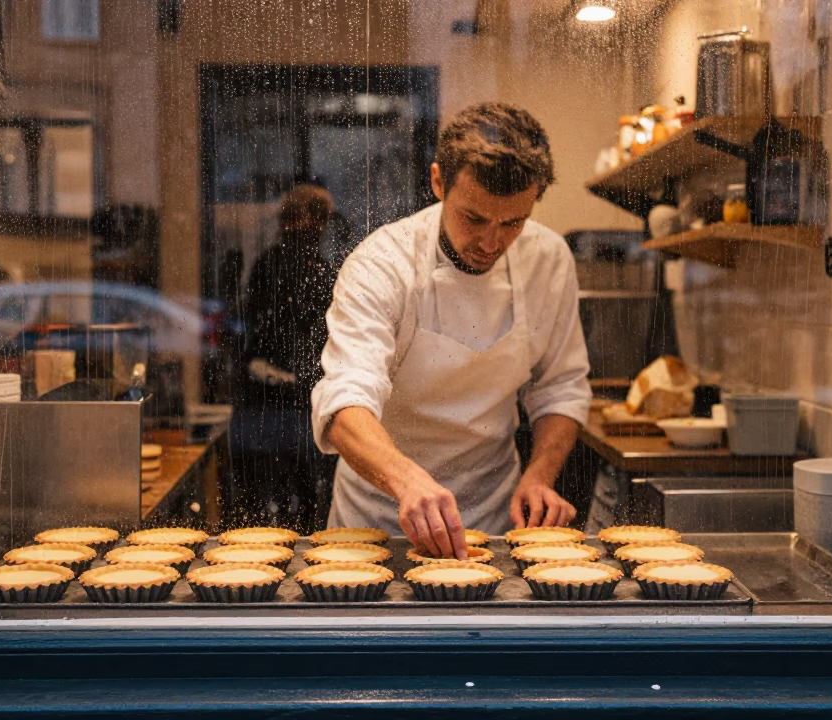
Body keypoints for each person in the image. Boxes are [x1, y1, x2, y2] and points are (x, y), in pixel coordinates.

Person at [311, 102, 591, 560]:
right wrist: (406, 480)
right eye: (474, 218)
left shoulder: (550, 260)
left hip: (493, 522)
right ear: (438, 181)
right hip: (378, 523)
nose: (491, 242)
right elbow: (345, 401)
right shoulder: (383, 263)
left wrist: (540, 475)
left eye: (513, 223)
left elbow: (560, 387)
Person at [230, 184, 340, 531]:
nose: (319, 228)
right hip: (284, 404)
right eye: (318, 218)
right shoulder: (301, 270)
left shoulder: (286, 266)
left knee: (274, 505)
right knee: (296, 503)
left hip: (281, 401)